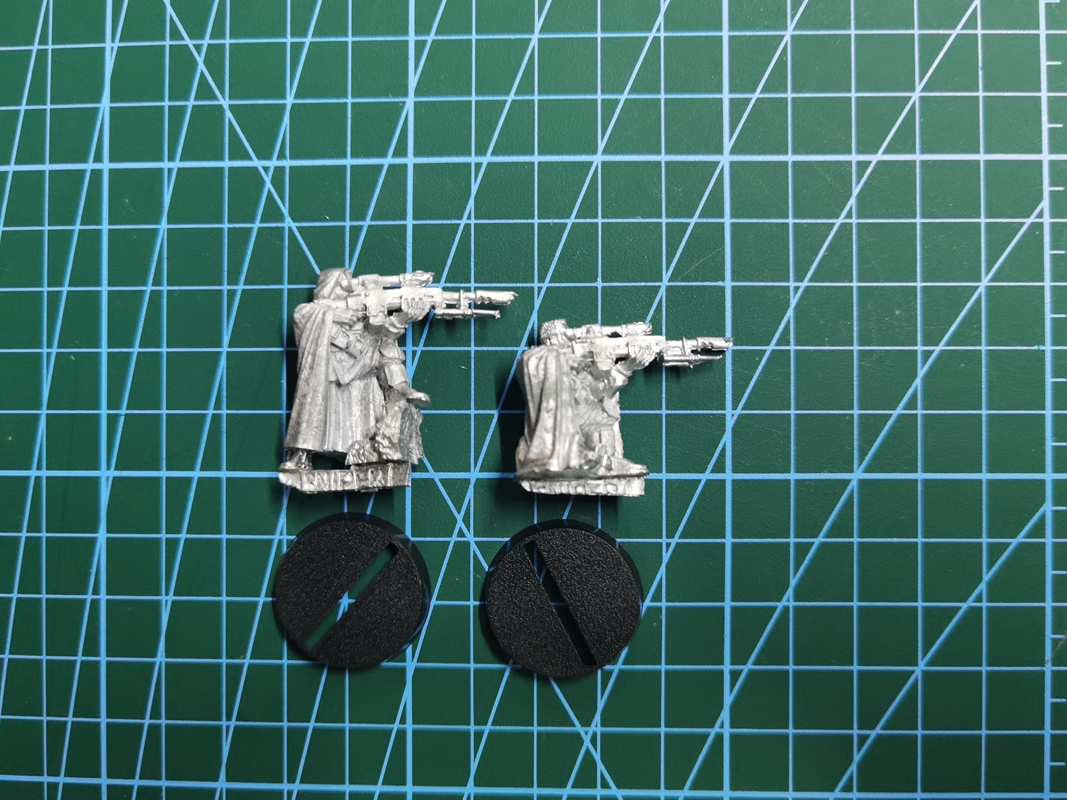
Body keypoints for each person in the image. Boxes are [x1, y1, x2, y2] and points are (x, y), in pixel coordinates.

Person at [281, 268, 430, 472]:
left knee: (387, 351)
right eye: (344, 283)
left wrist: (400, 319)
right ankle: (301, 456)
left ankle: (373, 455)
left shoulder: (366, 310)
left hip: (362, 375)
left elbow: (381, 341)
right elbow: (302, 316)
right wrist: (334, 315)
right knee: (313, 416)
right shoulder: (314, 312)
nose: (352, 286)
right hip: (329, 378)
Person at [515, 319, 655, 480]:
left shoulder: (579, 364)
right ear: (552, 339)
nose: (568, 338)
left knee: (604, 418)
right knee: (597, 424)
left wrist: (626, 367)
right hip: (564, 417)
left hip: (586, 412)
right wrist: (562, 361)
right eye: (563, 335)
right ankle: (583, 462)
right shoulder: (544, 360)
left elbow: (602, 391)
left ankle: (605, 466)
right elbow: (531, 363)